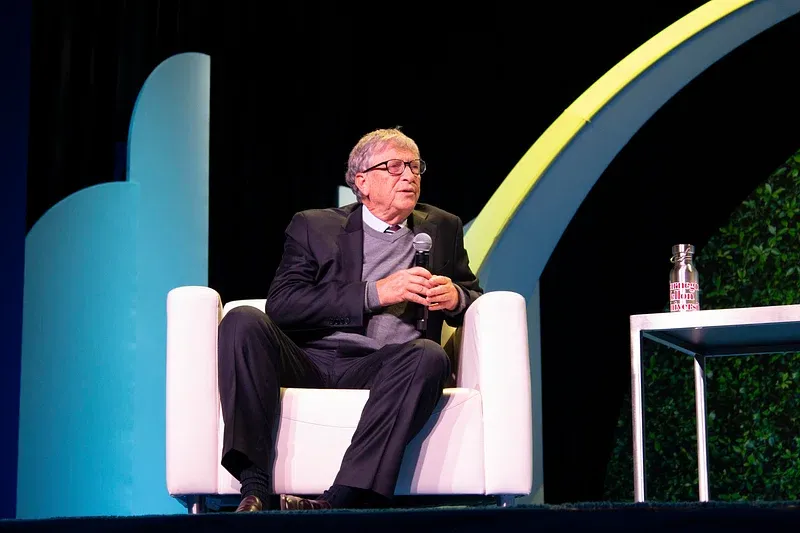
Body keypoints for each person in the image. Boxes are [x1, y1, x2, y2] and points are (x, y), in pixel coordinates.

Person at [217, 127, 484, 511]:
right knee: (242, 320)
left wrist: (457, 297)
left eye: (414, 166)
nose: (409, 175)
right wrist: (376, 293)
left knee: (429, 355)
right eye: (394, 166)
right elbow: (284, 304)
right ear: (362, 181)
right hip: (310, 359)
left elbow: (473, 295)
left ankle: (339, 501)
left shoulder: (442, 227)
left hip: (384, 366)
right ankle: (254, 487)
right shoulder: (315, 226)